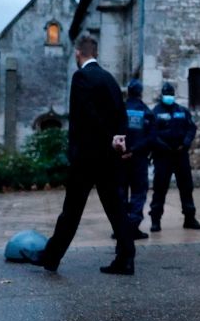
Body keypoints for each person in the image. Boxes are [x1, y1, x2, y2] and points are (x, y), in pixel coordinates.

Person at [24, 34, 135, 275]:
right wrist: (118, 142)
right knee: (116, 210)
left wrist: (82, 149)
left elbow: (84, 117)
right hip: (109, 158)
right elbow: (121, 117)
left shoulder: (81, 77)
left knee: (71, 211)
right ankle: (126, 258)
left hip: (86, 158)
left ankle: (50, 258)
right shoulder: (109, 79)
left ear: (78, 53)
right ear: (96, 53)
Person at [147, 82, 200, 232]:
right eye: (167, 94)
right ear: (162, 95)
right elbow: (151, 134)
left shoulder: (182, 111)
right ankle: (155, 220)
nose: (169, 97)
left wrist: (184, 143)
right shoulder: (154, 112)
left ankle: (190, 218)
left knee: (186, 187)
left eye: (171, 94)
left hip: (180, 154)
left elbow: (191, 128)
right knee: (160, 188)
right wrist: (163, 146)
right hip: (162, 156)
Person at [116, 79, 153, 239]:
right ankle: (133, 226)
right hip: (139, 159)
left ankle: (121, 228)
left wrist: (124, 151)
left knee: (120, 193)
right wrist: (135, 150)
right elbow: (151, 136)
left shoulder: (119, 109)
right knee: (138, 192)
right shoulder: (146, 111)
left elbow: (111, 132)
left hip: (120, 158)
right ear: (140, 92)